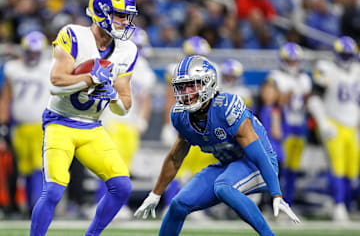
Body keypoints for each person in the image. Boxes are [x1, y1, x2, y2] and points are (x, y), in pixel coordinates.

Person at [135, 55, 300, 236]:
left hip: (259, 163)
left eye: (192, 85)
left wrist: (276, 193)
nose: (186, 92)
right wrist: (156, 194)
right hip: (227, 165)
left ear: (208, 83)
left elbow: (258, 154)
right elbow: (175, 158)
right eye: (182, 87)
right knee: (178, 205)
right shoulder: (181, 115)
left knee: (224, 186)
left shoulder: (226, 108)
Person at [30, 0, 138, 236]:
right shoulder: (73, 35)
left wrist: (111, 95)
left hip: (92, 127)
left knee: (122, 187)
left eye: (128, 16)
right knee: (55, 189)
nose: (125, 22)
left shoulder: (127, 50)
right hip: (60, 122)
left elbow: (125, 104)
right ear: (101, 11)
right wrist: (91, 79)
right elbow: (56, 83)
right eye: (120, 14)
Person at [96, 27, 156, 219]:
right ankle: (101, 203)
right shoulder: (113, 62)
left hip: (130, 123)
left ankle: (118, 205)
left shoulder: (146, 71)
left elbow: (145, 98)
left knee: (124, 168)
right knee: (108, 165)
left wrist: (142, 120)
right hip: (112, 119)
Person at [160, 36, 218, 218]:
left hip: (202, 124)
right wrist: (168, 124)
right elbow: (170, 98)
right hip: (182, 122)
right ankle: (169, 205)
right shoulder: (176, 70)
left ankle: (194, 207)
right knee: (178, 165)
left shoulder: (212, 72)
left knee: (198, 168)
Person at [307, 36, 359, 221]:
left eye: (349, 54)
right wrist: (323, 122)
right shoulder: (327, 69)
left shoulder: (357, 71)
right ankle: (338, 205)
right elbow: (314, 99)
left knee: (352, 169)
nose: (346, 57)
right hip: (334, 124)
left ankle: (346, 203)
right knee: (337, 167)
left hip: (353, 127)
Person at [0, 31, 51, 216]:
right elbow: (6, 97)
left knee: (39, 167)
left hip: (41, 125)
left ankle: (36, 206)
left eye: (37, 52)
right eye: (30, 51)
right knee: (23, 168)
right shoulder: (13, 68)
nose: (33, 55)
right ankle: (27, 206)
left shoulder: (50, 66)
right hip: (20, 125)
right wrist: (3, 122)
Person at [267, 42, 312, 206]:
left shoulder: (305, 78)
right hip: (282, 125)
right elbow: (273, 101)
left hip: (299, 125)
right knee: (279, 167)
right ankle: (274, 203)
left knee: (293, 168)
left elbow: (307, 104)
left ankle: (290, 203)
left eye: (295, 60)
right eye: (290, 60)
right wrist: (286, 96)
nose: (293, 64)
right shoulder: (276, 76)